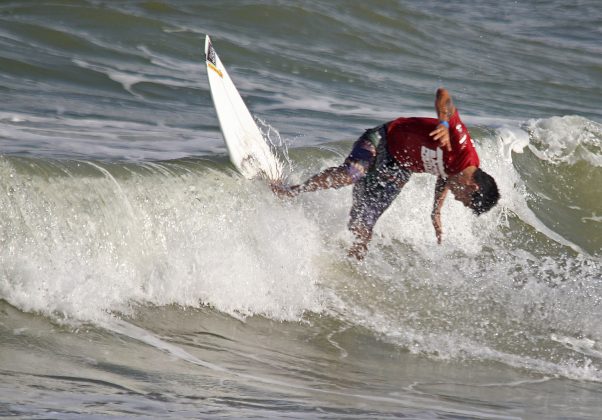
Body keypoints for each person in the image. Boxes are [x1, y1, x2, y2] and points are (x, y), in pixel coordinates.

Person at [272, 88, 500, 259]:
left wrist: (436, 212)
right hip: (384, 138)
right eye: (465, 201)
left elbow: (445, 176)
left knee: (362, 229)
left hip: (398, 168)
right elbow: (444, 95)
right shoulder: (462, 148)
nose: (458, 199)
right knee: (352, 173)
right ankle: (289, 191)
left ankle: (348, 268)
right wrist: (444, 123)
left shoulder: (457, 174)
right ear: (473, 187)